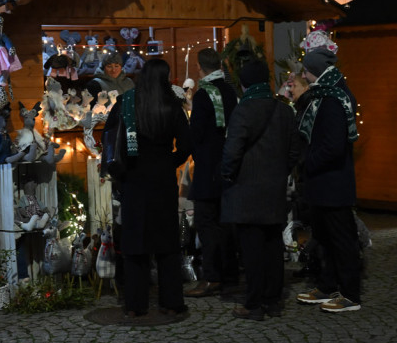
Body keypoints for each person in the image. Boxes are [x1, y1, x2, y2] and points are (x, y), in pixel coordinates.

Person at [103, 58, 191, 317]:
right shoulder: (172, 105)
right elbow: (186, 144)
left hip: (134, 178)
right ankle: (172, 301)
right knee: (166, 242)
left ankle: (135, 304)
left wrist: (120, 174)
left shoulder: (126, 103)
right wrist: (170, 161)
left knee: (135, 243)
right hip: (163, 179)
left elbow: (109, 138)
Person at [220, 59, 302, 320]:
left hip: (247, 189)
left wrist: (226, 175)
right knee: (272, 245)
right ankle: (272, 300)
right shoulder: (284, 110)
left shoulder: (243, 110)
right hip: (274, 188)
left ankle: (253, 304)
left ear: (243, 84)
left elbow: (232, 151)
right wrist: (280, 172)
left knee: (252, 248)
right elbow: (294, 150)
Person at [293, 47, 362, 313]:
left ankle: (350, 294)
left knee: (341, 239)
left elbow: (333, 146)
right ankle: (328, 286)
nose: (304, 75)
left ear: (314, 71)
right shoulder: (325, 94)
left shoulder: (333, 99)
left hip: (333, 183)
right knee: (325, 237)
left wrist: (307, 162)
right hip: (323, 183)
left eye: (306, 70)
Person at [185, 48, 240, 298]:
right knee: (226, 223)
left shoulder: (203, 94)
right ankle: (229, 273)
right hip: (229, 165)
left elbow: (195, 133)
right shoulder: (229, 90)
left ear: (200, 67)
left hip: (208, 168)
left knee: (206, 224)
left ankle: (211, 277)